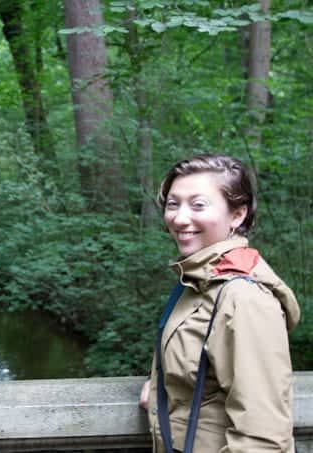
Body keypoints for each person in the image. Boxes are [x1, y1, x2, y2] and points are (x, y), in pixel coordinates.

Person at [139, 154, 300, 452]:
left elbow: (264, 439)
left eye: (198, 205)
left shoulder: (244, 298)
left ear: (237, 215)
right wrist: (165, 386)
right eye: (173, 204)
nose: (180, 217)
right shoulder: (199, 280)